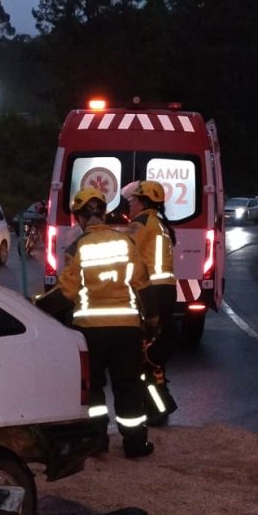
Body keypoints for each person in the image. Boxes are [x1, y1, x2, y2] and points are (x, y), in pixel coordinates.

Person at [47, 187, 153, 458]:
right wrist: (152, 320)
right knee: (128, 386)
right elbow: (141, 283)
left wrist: (36, 304)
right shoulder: (125, 242)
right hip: (127, 330)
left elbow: (68, 292)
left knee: (93, 388)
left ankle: (97, 442)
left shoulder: (79, 247)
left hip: (91, 331)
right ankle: (135, 445)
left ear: (80, 219)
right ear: (104, 214)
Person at [121, 179, 178, 425]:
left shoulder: (141, 222)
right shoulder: (162, 224)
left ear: (143, 201)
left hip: (150, 292)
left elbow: (126, 252)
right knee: (153, 352)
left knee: (143, 353)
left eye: (132, 200)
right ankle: (159, 405)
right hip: (166, 291)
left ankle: (157, 408)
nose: (130, 205)